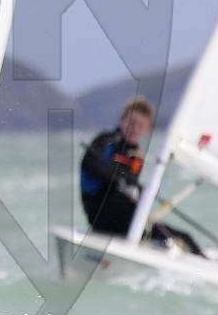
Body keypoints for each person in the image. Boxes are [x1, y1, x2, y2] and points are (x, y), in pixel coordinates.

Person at [79, 97, 205, 256]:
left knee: (184, 238)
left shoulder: (136, 155)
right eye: (131, 122)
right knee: (172, 238)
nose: (135, 128)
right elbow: (90, 164)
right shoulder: (106, 141)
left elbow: (130, 186)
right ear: (122, 120)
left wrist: (142, 191)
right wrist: (119, 177)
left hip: (125, 218)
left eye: (141, 125)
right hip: (102, 216)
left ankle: (202, 261)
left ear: (147, 129)